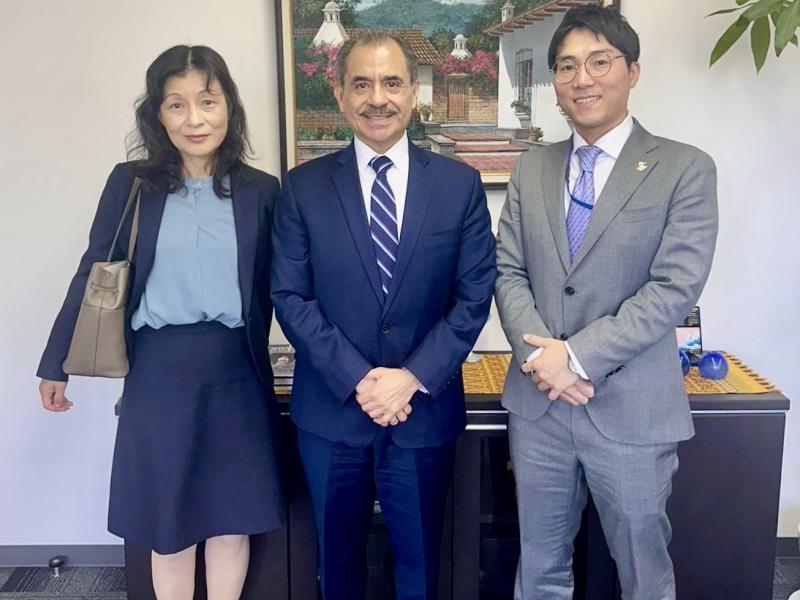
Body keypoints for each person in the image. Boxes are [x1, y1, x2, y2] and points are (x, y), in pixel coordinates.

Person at [37, 45, 284, 600]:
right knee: (168, 526)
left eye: (207, 101)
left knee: (231, 521)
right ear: (158, 114)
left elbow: (284, 287)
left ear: (229, 106)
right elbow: (93, 272)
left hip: (237, 372)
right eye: (177, 104)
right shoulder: (131, 185)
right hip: (158, 373)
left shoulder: (261, 191)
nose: (195, 119)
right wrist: (56, 363)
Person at [494, 6, 718, 599]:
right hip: (539, 407)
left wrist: (576, 358)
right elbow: (508, 270)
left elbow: (674, 286)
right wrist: (542, 361)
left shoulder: (684, 168)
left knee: (643, 571)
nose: (582, 79)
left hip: (632, 408)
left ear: (632, 71)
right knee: (540, 566)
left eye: (599, 62)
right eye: (566, 66)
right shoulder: (531, 168)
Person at [271, 31, 496, 600]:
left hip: (423, 413)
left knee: (420, 568)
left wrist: (411, 378)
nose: (378, 98)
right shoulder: (302, 188)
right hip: (331, 413)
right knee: (336, 568)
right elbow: (291, 296)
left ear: (414, 92)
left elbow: (473, 296)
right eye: (362, 84)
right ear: (340, 94)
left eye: (392, 83)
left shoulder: (459, 185)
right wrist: (360, 379)